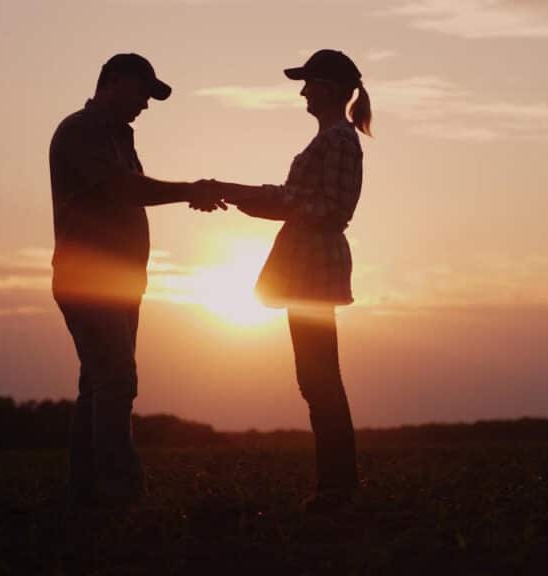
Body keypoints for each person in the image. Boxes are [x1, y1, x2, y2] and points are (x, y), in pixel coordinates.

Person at [49, 53, 225, 509]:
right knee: (117, 381)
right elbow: (125, 190)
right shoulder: (82, 131)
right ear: (111, 82)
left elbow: (131, 192)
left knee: (98, 384)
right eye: (142, 92)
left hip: (120, 283)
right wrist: (190, 190)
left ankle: (87, 493)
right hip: (90, 281)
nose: (146, 104)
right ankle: (118, 494)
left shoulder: (115, 136)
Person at [215, 49, 372, 513]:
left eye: (310, 82)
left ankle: (338, 488)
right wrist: (254, 199)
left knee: (320, 377)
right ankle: (336, 486)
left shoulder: (339, 141)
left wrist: (255, 197)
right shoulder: (330, 139)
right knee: (315, 376)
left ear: (331, 88)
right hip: (306, 267)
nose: (303, 91)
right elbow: (303, 200)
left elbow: (329, 208)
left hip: (314, 269)